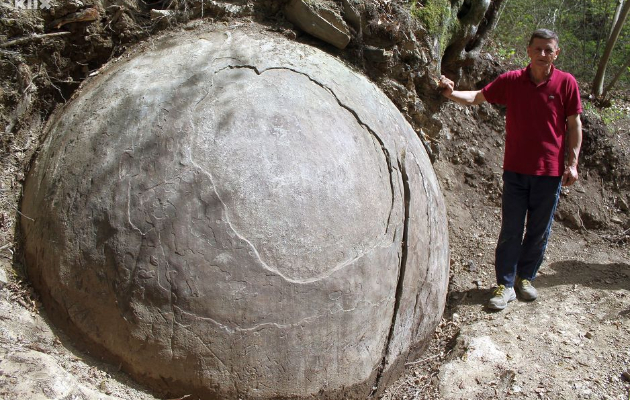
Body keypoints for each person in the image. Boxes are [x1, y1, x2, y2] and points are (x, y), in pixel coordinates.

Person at [438, 29, 583, 310]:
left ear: (557, 53)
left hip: (550, 173)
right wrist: (450, 93)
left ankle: (525, 278)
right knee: (511, 229)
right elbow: (478, 97)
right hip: (516, 171)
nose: (543, 54)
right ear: (528, 51)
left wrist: (572, 164)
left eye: (548, 50)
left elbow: (574, 124)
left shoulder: (566, 83)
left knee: (539, 231)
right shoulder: (512, 81)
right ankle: (504, 284)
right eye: (538, 49)